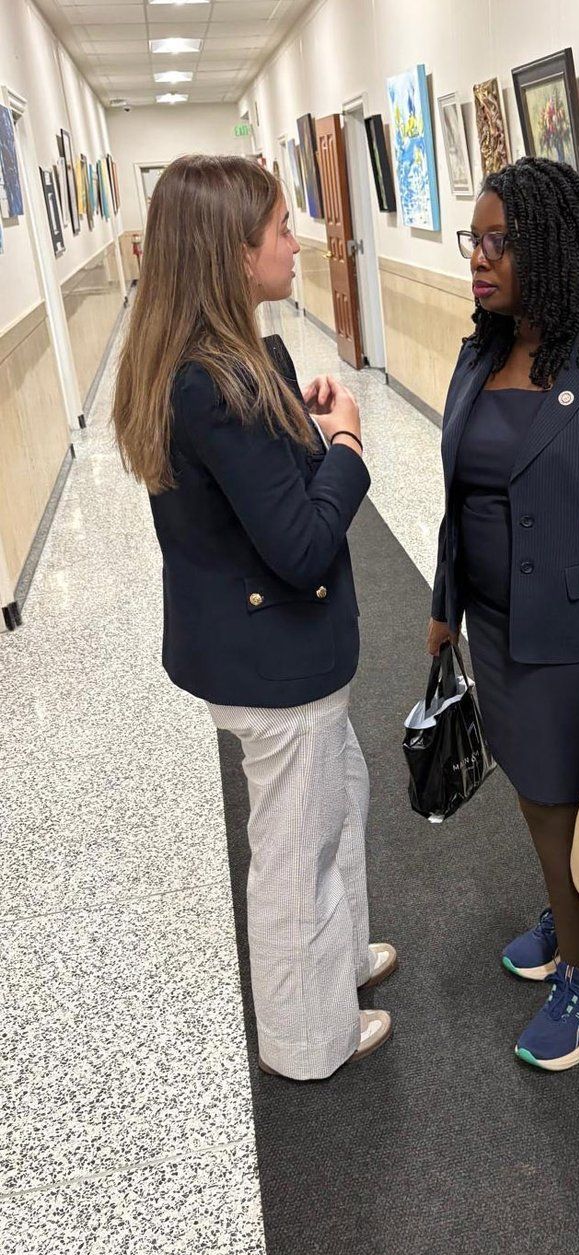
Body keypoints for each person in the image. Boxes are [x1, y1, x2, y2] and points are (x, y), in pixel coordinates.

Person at [113, 155, 395, 1082]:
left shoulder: (242, 359)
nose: (297, 239)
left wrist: (310, 423)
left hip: (271, 650)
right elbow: (303, 544)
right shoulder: (209, 383)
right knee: (294, 854)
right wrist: (349, 441)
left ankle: (342, 963)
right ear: (235, 252)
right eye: (281, 226)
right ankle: (308, 1039)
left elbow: (265, 486)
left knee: (337, 800)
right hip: (273, 659)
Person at [428, 157, 579, 1071]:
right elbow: (460, 493)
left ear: (555, 248)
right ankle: (572, 902)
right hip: (492, 624)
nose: (479, 259)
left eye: (501, 242)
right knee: (548, 793)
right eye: (475, 239)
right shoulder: (480, 349)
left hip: (576, 636)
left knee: (549, 795)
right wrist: (444, 603)